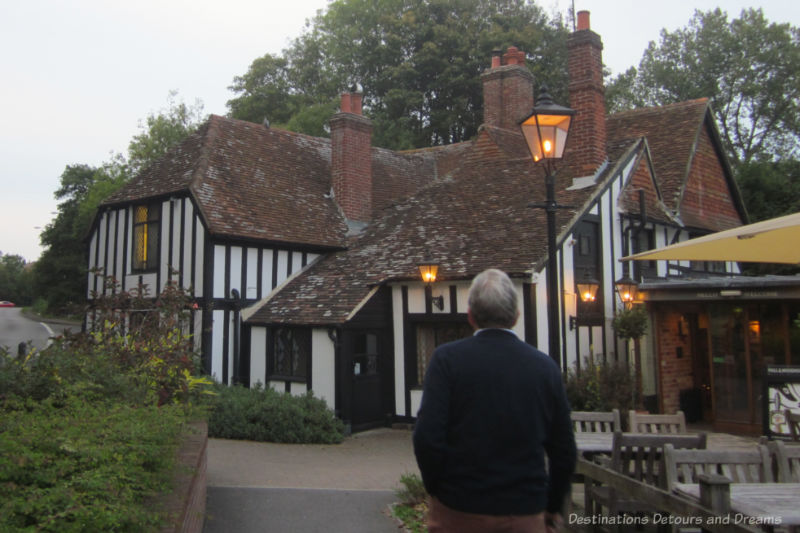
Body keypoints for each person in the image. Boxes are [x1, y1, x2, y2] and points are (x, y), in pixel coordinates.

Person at [413, 268, 576, 533]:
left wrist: (438, 490)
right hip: (525, 511)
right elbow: (564, 451)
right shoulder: (545, 369)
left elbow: (427, 438)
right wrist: (552, 505)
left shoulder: (446, 361)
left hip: (459, 509)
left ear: (470, 316)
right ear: (516, 317)